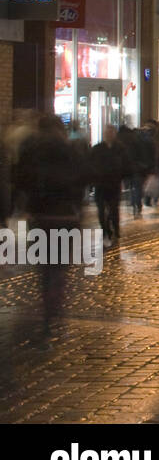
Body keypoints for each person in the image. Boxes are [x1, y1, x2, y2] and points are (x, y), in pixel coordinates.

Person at [13, 116, 88, 340]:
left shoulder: (30, 149)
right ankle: (53, 307)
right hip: (65, 215)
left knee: (44, 266)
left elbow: (19, 179)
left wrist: (26, 204)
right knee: (59, 266)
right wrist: (78, 207)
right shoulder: (70, 149)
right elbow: (83, 178)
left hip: (40, 216)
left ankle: (48, 307)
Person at [88, 126, 130, 246]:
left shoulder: (120, 149)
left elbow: (126, 165)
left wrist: (123, 176)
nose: (109, 135)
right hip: (100, 184)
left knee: (113, 209)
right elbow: (90, 164)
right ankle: (106, 230)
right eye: (107, 133)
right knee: (101, 210)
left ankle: (115, 230)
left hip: (113, 184)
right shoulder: (97, 149)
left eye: (111, 133)